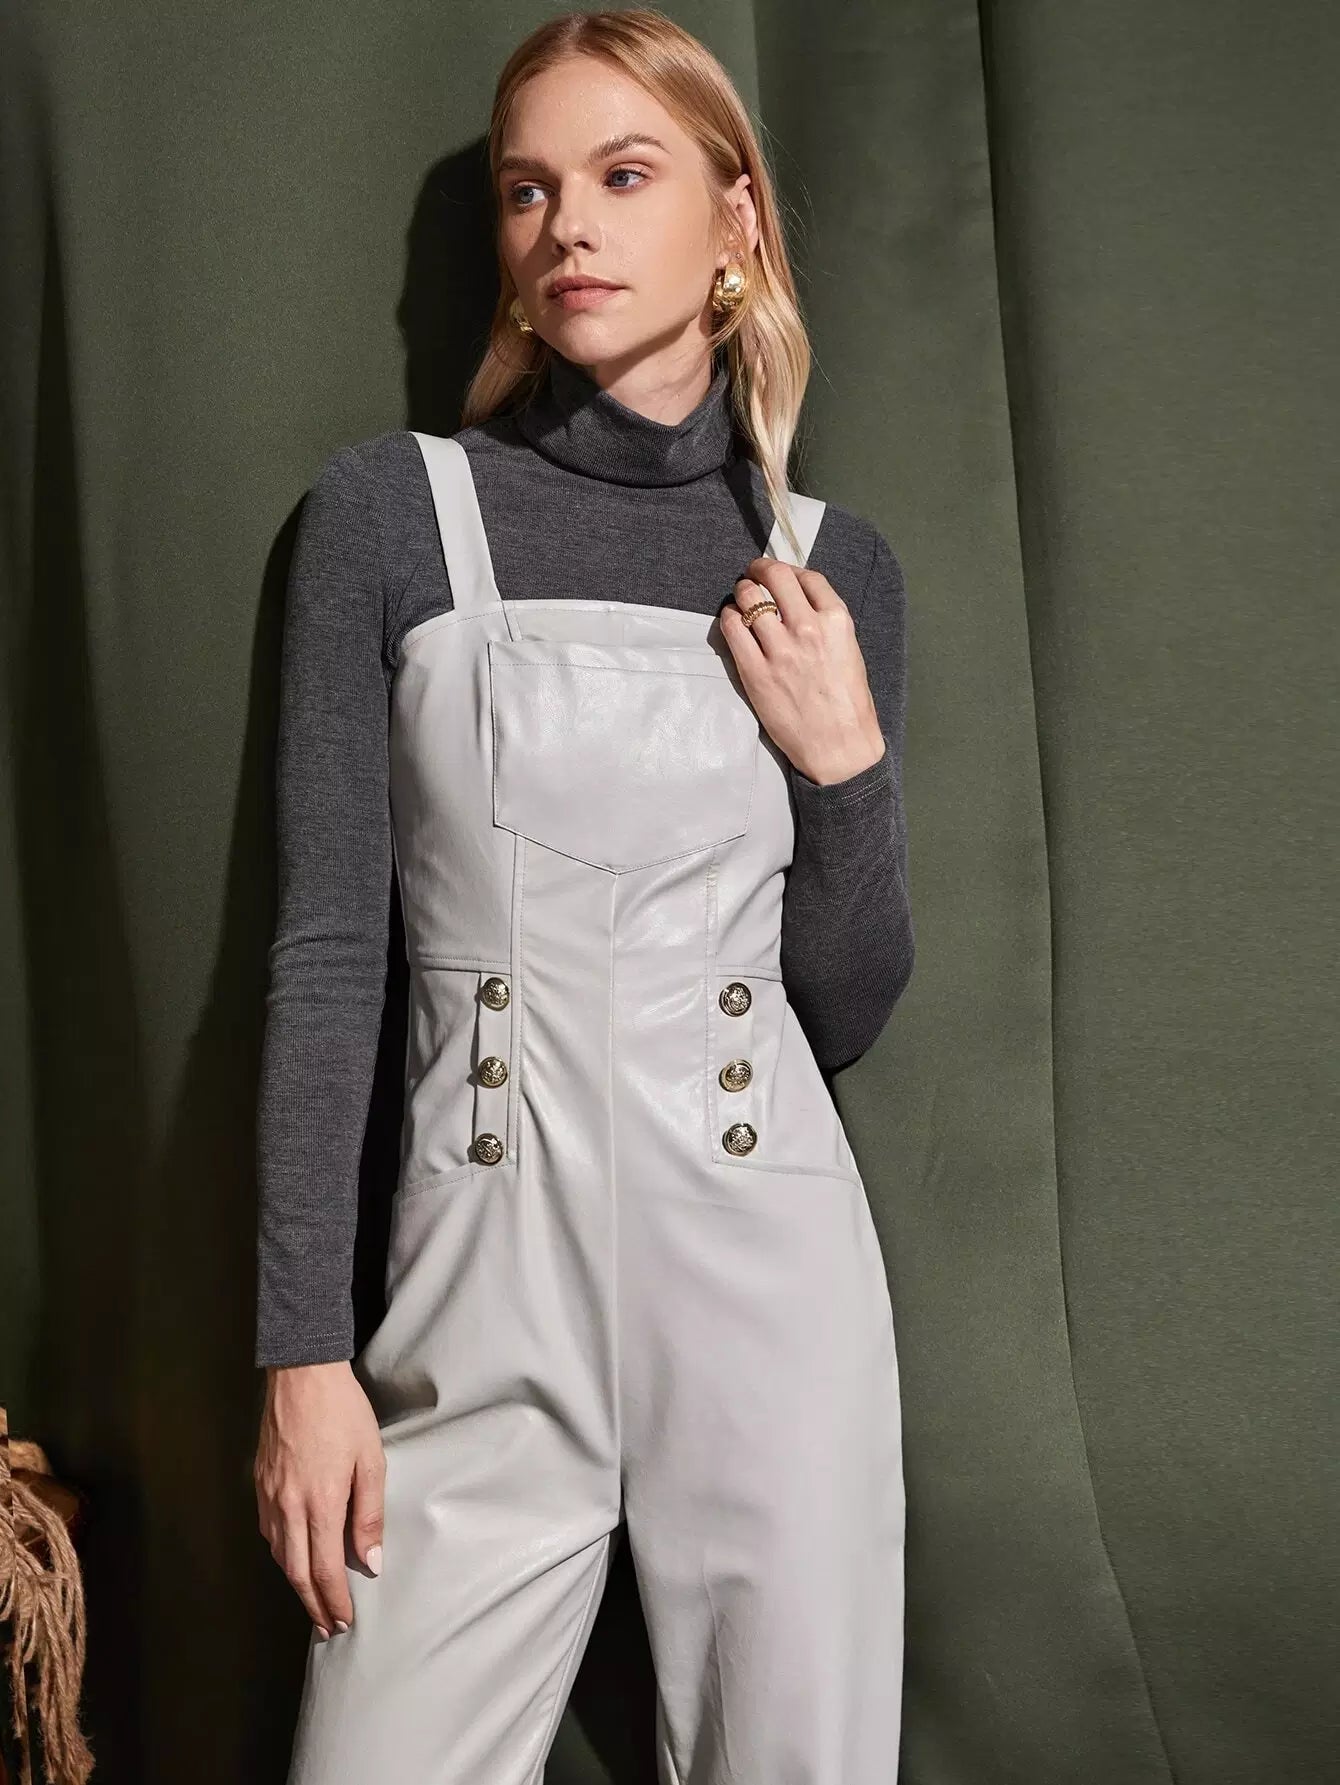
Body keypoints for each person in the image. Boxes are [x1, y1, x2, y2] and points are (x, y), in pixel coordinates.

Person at [252, 10, 914, 1781]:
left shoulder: (830, 567)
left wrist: (846, 764)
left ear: (736, 218)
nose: (569, 228)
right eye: (530, 190)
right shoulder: (390, 514)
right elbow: (330, 951)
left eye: (626, 176)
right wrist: (302, 1353)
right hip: (476, 1272)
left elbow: (846, 1006)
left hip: (769, 1273)